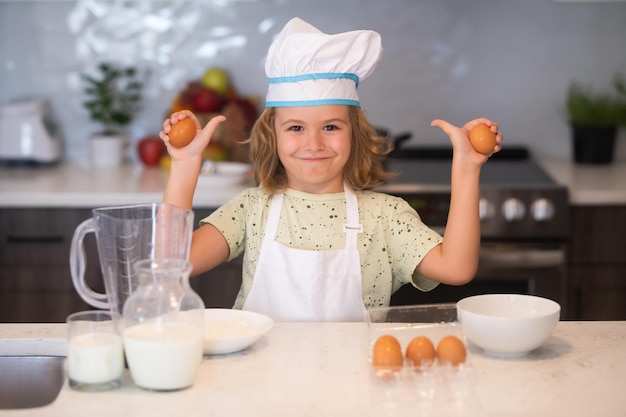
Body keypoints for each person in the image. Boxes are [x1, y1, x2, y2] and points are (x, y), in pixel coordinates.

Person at [158, 17, 503, 322]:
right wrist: (186, 164)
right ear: (271, 135)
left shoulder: (385, 216)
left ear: (355, 134)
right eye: (295, 128)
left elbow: (456, 269)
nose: (314, 144)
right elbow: (170, 262)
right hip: (260, 387)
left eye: (331, 127)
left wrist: (467, 169)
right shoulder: (252, 209)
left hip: (353, 386)